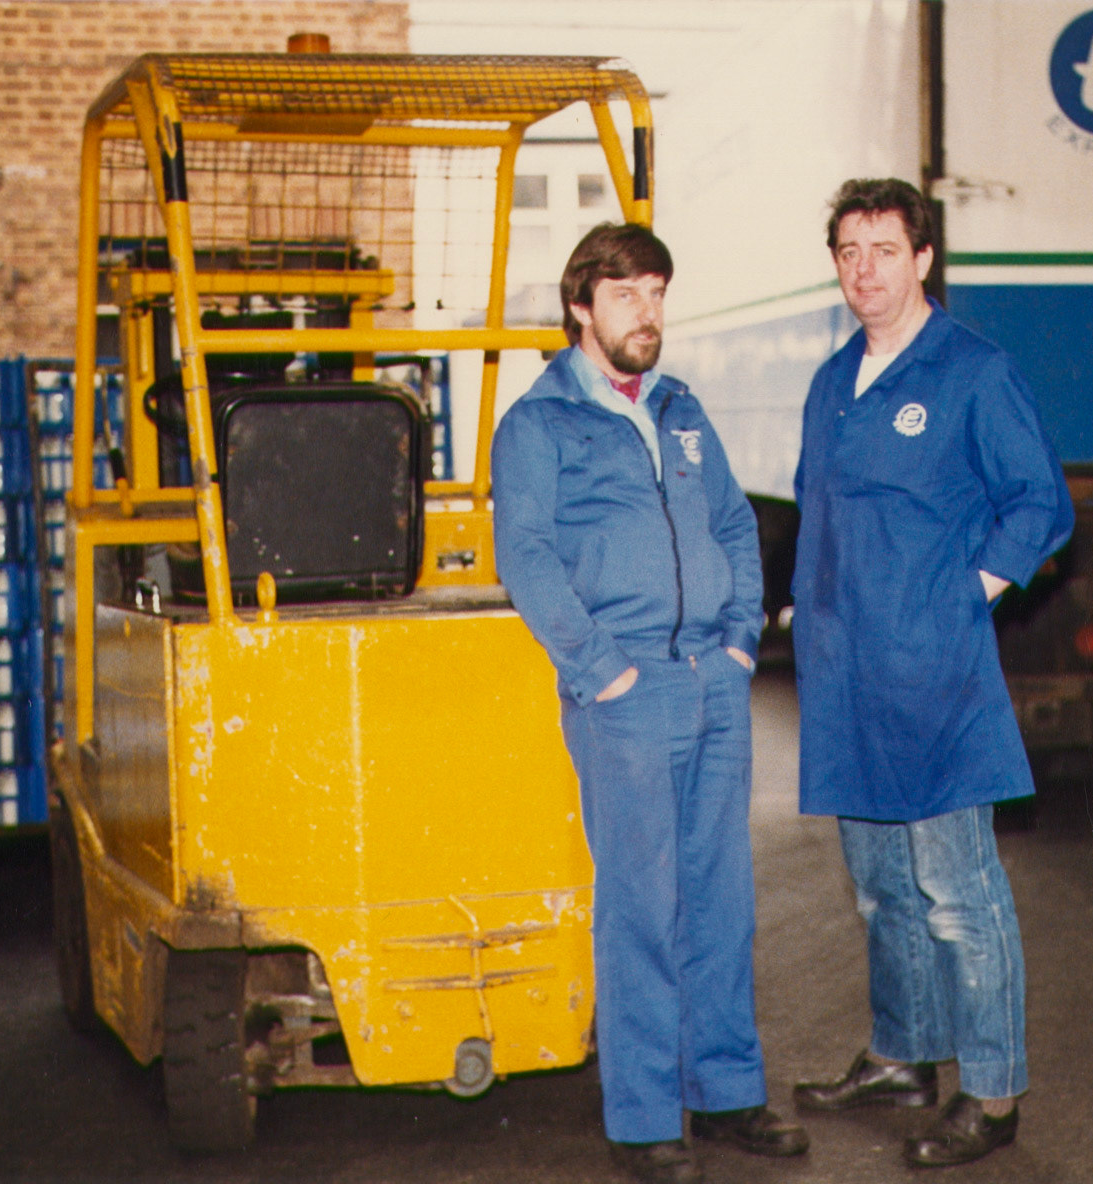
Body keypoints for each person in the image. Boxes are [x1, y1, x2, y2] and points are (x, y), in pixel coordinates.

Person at [490, 222, 807, 1184]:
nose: (648, 313)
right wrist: (602, 668)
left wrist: (741, 641)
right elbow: (526, 559)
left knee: (722, 898)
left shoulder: (681, 410)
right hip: (623, 692)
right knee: (642, 904)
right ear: (581, 307)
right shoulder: (540, 425)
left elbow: (734, 527)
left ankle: (726, 1093)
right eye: (626, 294)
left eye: (659, 293)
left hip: (709, 680)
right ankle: (643, 1118)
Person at [788, 179, 1073, 1168]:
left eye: (884, 248)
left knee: (959, 891)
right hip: (843, 679)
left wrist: (967, 591)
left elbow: (1039, 502)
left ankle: (990, 1093)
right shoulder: (833, 379)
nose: (864, 268)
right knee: (879, 890)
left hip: (935, 675)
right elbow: (819, 513)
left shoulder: (971, 372)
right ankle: (904, 1055)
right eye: (848, 249)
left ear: (924, 260)